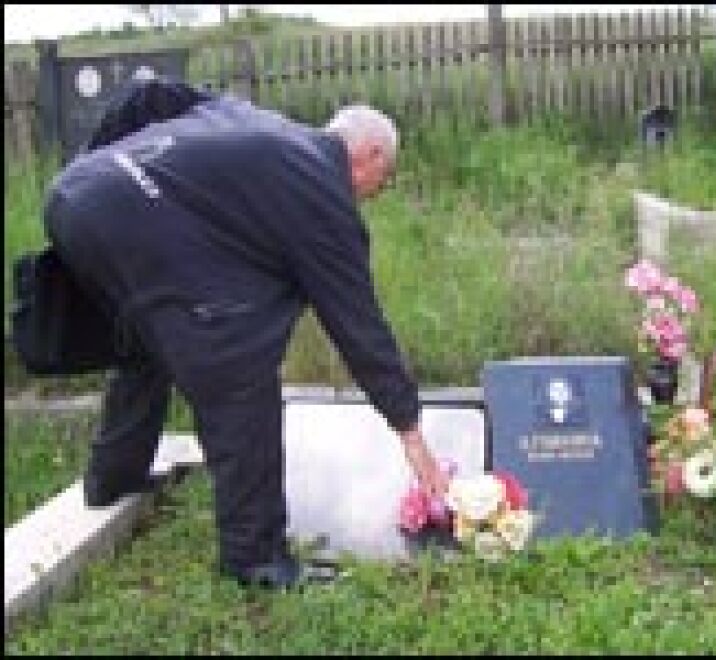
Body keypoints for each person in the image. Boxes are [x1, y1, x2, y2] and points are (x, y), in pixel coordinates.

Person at [43, 77, 449, 589]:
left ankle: (114, 478)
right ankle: (256, 560)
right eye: (382, 181)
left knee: (151, 340)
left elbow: (145, 96)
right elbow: (358, 324)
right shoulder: (322, 191)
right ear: (366, 156)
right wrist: (409, 428)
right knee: (239, 374)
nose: (374, 194)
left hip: (74, 196)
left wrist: (97, 171)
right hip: (129, 223)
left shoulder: (256, 121)